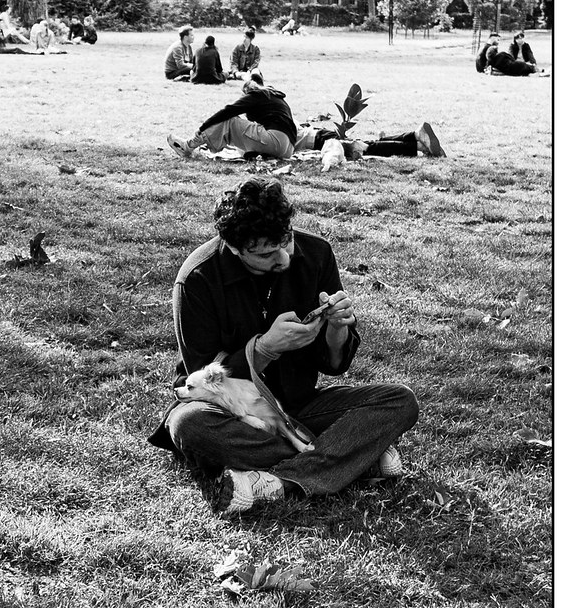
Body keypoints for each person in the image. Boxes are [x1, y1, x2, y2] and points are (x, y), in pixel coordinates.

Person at [147, 177, 419, 515]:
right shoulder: (198, 278)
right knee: (188, 425)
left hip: (298, 408)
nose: (284, 257)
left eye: (286, 240)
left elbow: (335, 365)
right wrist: (264, 349)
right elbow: (202, 377)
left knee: (399, 401)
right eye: (266, 253)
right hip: (231, 412)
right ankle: (352, 456)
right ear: (234, 247)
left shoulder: (316, 253)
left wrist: (337, 330)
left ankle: (277, 482)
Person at [167, 71, 297, 161]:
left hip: (274, 140)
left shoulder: (255, 96)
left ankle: (188, 146)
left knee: (229, 121)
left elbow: (228, 111)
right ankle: (259, 154)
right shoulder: (275, 96)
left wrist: (202, 127)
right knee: (242, 146)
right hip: (288, 149)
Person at [297, 122, 446, 159]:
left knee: (367, 148)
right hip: (317, 134)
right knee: (368, 144)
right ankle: (415, 137)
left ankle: (418, 146)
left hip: (318, 140)